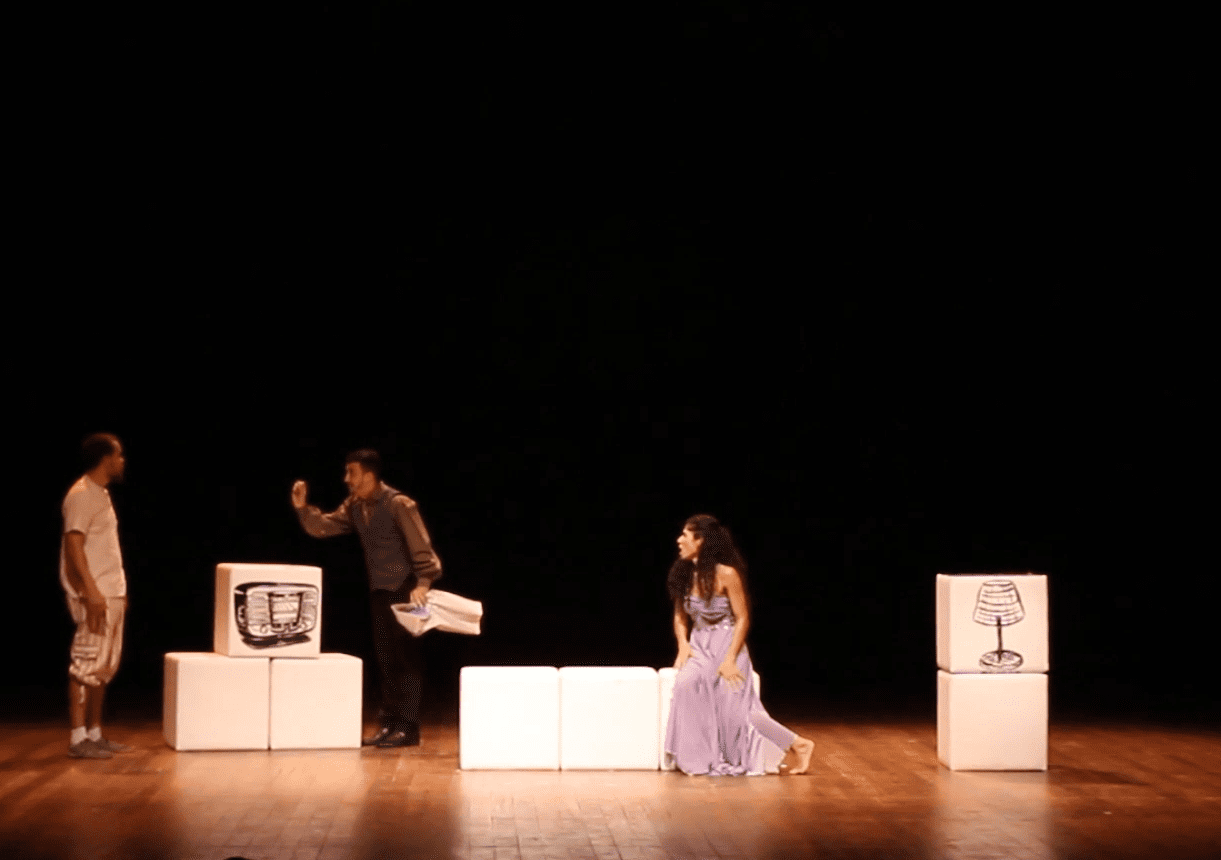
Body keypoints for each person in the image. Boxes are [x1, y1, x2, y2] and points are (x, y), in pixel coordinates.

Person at [291, 449, 441, 748]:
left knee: (406, 658)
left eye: (352, 473)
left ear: (369, 475)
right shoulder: (355, 506)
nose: (347, 479)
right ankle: (389, 723)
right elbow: (324, 526)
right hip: (380, 590)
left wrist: (424, 582)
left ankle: (407, 727)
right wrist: (303, 508)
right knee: (385, 658)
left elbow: (421, 545)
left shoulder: (399, 504)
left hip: (407, 590)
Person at [664, 514, 815, 775]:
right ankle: (700, 757)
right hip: (699, 646)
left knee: (736, 711)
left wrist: (730, 659)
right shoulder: (684, 574)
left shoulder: (727, 574)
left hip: (727, 645)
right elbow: (679, 616)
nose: (679, 540)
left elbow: (743, 617)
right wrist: (683, 645)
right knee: (686, 685)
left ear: (700, 540)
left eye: (685, 535)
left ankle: (798, 744)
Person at [60, 433, 133, 759]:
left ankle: (94, 733)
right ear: (105, 458)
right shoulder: (80, 494)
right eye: (119, 455)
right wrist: (90, 590)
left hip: (110, 591)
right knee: (85, 664)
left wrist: (118, 592)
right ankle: (78, 738)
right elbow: (73, 544)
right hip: (95, 593)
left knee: (103, 666)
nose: (122, 461)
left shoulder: (100, 494)